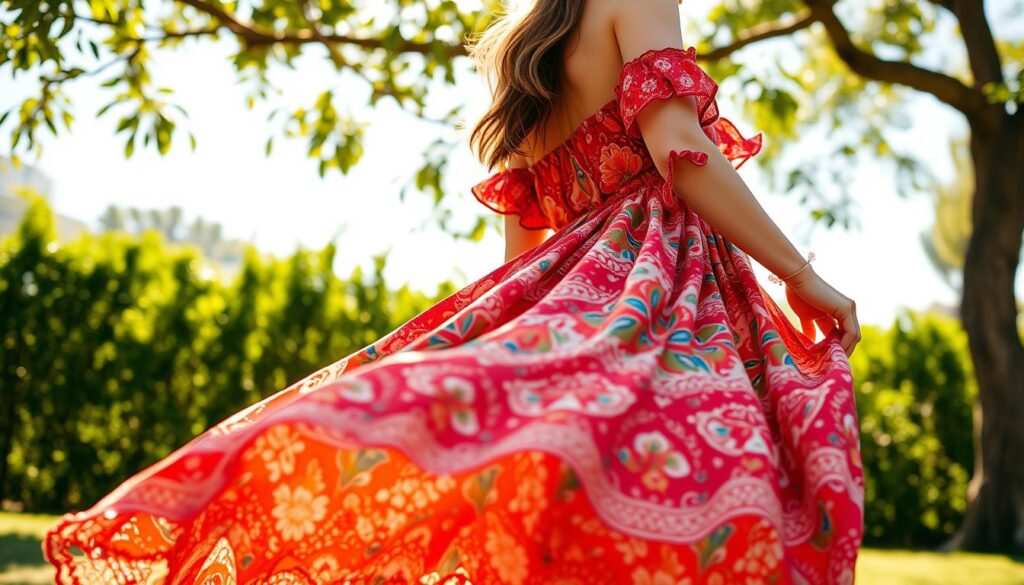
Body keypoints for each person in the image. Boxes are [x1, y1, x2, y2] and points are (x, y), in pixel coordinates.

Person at [44, 0, 864, 583]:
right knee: (730, 514)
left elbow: (521, 258)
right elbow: (682, 149)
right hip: (668, 307)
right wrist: (800, 272)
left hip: (581, 301)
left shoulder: (525, 48)